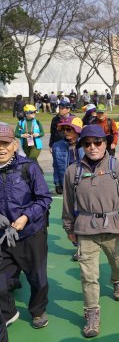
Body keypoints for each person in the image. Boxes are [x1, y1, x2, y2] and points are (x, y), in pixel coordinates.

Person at [62, 125, 119, 337]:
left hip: (113, 228)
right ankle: (91, 313)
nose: (92, 147)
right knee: (88, 276)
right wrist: (69, 227)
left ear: (105, 143)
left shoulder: (118, 168)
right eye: (87, 143)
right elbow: (68, 204)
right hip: (86, 230)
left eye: (97, 142)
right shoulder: (73, 172)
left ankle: (118, 281)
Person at [0, 124, 52, 329]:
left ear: (14, 145)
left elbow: (44, 199)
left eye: (5, 143)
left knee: (37, 277)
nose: (1, 148)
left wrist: (25, 217)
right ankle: (9, 312)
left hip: (31, 233)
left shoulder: (28, 167)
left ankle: (38, 310)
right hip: (4, 236)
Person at [52, 117, 84, 195]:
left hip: (84, 183)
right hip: (67, 183)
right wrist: (57, 183)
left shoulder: (86, 144)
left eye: (68, 129)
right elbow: (56, 166)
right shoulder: (57, 146)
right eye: (63, 130)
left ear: (77, 130)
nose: (65, 132)